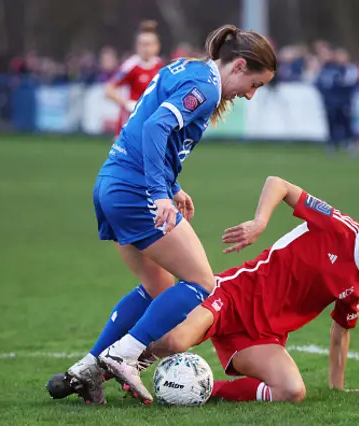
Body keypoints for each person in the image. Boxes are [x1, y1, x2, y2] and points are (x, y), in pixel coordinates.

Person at [48, 161, 359, 404]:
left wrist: (338, 386)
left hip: (264, 336)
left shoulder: (358, 284)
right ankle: (94, 375)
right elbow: (279, 183)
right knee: (175, 342)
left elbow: (341, 333)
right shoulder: (336, 226)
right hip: (234, 295)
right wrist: (259, 221)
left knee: (292, 391)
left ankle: (201, 391)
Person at [62, 24, 277, 404]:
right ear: (240, 65)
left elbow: (151, 128)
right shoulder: (207, 87)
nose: (250, 94)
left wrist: (172, 186)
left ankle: (88, 369)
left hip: (112, 182)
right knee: (202, 284)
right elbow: (156, 126)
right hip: (134, 190)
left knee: (156, 289)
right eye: (255, 84)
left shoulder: (186, 68)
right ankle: (123, 356)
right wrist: (158, 192)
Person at [105, 20, 165, 138]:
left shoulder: (160, 65)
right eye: (142, 44)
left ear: (157, 46)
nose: (145, 48)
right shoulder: (131, 66)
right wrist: (127, 103)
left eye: (148, 44)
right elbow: (109, 89)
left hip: (150, 121)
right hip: (129, 122)